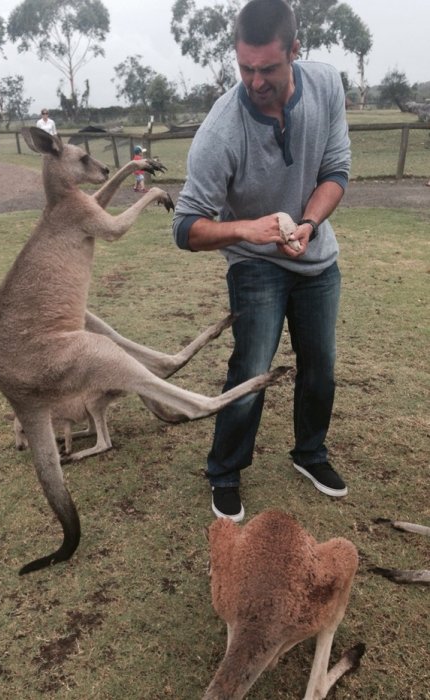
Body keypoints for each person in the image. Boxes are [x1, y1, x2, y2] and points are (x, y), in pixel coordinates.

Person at [172, 0, 351, 522]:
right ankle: (225, 472)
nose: (254, 81)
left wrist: (308, 224)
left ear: (295, 50)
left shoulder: (327, 85)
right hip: (254, 264)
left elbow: (336, 171)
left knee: (321, 366)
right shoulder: (220, 132)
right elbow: (184, 226)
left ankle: (310, 453)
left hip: (315, 256)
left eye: (267, 68)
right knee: (251, 366)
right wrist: (247, 230)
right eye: (244, 67)